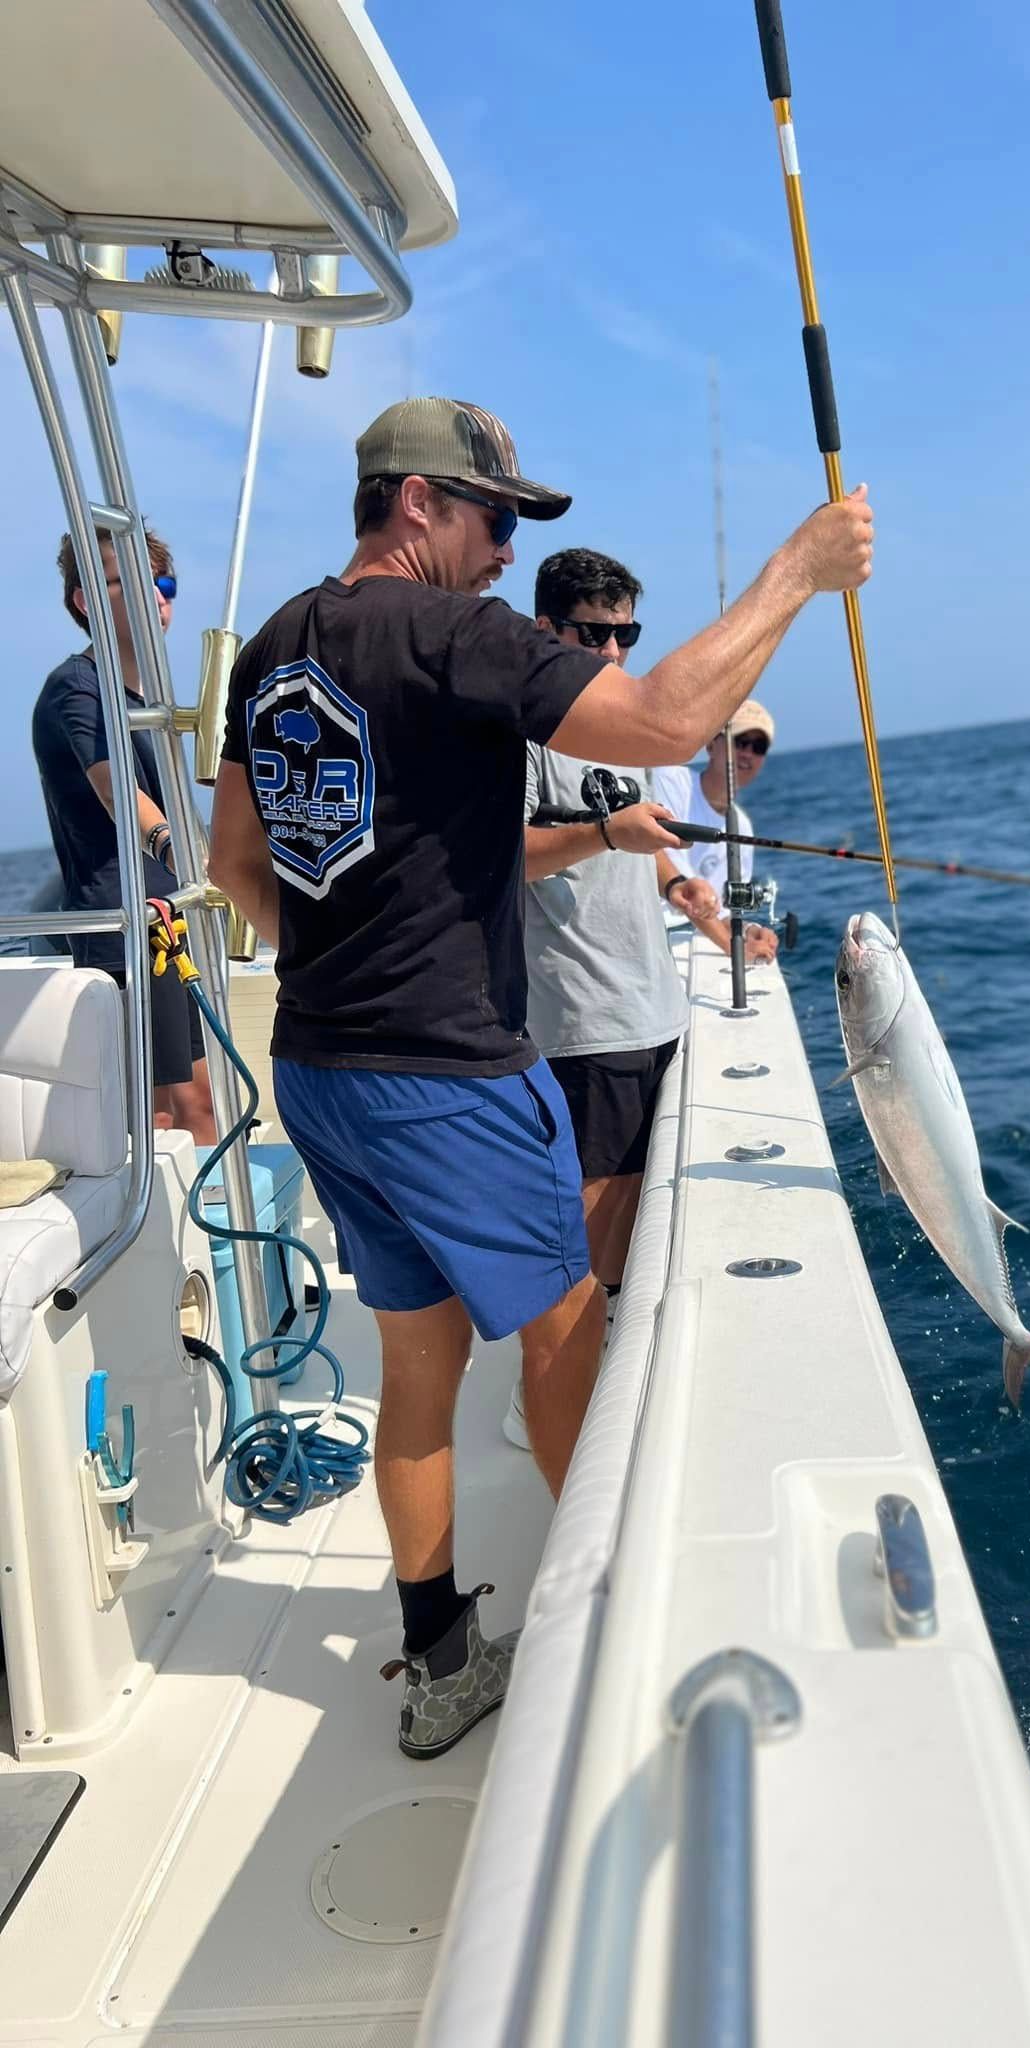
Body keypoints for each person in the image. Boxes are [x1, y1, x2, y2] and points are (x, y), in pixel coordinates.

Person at [206, 396, 873, 1756]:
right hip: (448, 1073)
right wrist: (797, 575)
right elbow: (655, 722)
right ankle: (614, 1632)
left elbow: (231, 866)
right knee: (572, 1333)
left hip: (321, 1069)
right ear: (417, 506)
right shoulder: (451, 635)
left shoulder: (275, 646)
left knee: (415, 1367)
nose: (508, 552)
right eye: (495, 518)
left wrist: (344, 962)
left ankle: (443, 1658)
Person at [505, 548, 714, 1452]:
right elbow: (502, 855)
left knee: (635, 1229)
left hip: (653, 1008)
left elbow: (631, 834)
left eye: (628, 634)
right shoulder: (515, 730)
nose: (617, 654)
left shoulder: (607, 728)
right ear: (546, 628)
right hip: (582, 1021)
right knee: (587, 1249)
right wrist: (604, 833)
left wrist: (681, 889)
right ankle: (552, 1413)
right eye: (596, 634)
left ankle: (609, 1404)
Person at [32, 527, 217, 1142]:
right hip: (128, 930)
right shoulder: (77, 689)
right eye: (131, 583)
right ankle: (168, 1238)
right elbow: (116, 792)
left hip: (169, 919)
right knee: (162, 1116)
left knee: (201, 1107)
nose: (156, 598)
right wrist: (183, 854)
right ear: (85, 600)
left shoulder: (144, 701)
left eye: (163, 586)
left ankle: (210, 1237)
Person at [652, 703, 779, 963]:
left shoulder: (741, 825)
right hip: (652, 935)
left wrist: (748, 930)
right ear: (711, 744)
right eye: (740, 741)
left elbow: (721, 910)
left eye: (758, 748)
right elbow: (680, 886)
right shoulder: (671, 781)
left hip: (697, 941)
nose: (747, 754)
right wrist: (733, 949)